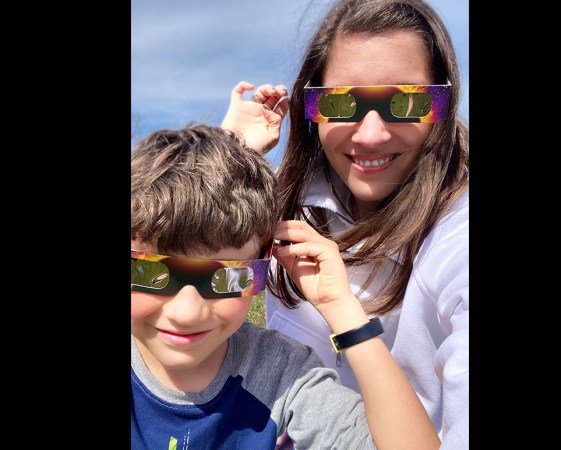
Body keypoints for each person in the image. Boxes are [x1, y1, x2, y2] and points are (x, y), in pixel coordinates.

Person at [220, 0, 469, 448]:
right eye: (342, 102)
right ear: (311, 106)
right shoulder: (288, 202)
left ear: (442, 105)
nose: (370, 134)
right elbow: (184, 263)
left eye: (404, 100)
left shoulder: (458, 240)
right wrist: (231, 155)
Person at [130, 122, 440, 449]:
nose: (187, 313)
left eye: (227, 277)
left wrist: (342, 308)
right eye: (152, 272)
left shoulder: (284, 374)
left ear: (265, 259)